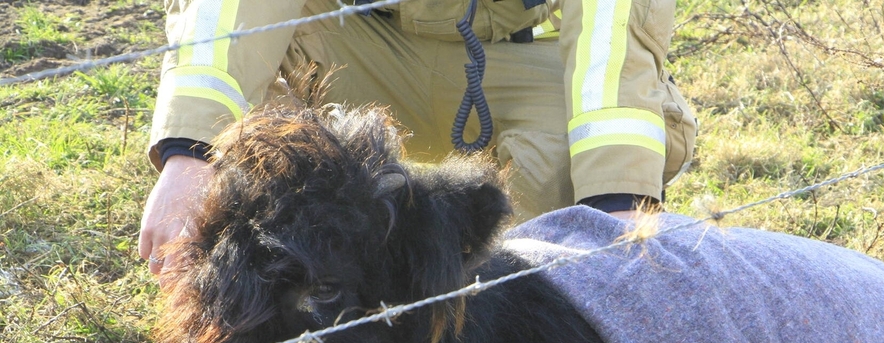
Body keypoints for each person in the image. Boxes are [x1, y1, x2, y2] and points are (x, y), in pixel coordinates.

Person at [139, 0, 698, 277]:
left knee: (567, 163)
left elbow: (612, 27)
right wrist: (192, 152)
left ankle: (515, 326)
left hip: (516, 52)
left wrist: (617, 207)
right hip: (352, 36)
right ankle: (290, 317)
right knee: (266, 129)